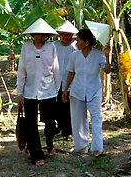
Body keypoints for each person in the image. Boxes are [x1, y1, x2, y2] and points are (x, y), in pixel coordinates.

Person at [16, 18, 61, 167]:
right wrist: (19, 92)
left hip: (48, 90)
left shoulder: (51, 47)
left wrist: (57, 89)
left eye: (42, 34)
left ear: (46, 35)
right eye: (37, 34)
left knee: (49, 121)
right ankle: (36, 154)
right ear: (32, 35)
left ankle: (49, 144)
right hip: (30, 91)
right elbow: (21, 70)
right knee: (31, 124)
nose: (39, 37)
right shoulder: (26, 47)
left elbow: (56, 70)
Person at [62, 28, 111, 156]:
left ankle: (97, 147)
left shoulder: (98, 55)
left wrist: (107, 55)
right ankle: (81, 146)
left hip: (94, 90)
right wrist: (66, 89)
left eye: (78, 40)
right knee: (78, 119)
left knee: (96, 118)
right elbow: (71, 73)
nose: (76, 43)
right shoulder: (74, 55)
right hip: (77, 90)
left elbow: (107, 70)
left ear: (86, 42)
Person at [52, 20, 78, 140]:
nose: (65, 37)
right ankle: (60, 126)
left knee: (68, 106)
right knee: (57, 105)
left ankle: (69, 131)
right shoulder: (54, 46)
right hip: (55, 79)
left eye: (68, 34)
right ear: (59, 34)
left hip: (71, 80)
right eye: (63, 34)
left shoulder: (75, 47)